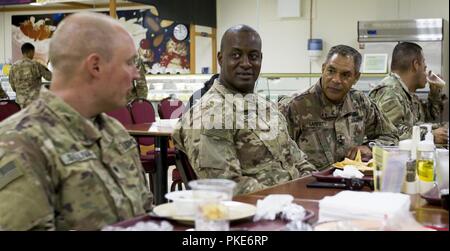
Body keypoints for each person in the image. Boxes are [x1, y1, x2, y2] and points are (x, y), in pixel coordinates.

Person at [0, 12, 152, 231]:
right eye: (129, 63)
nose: (136, 75)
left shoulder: (114, 132)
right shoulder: (20, 144)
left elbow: (143, 214)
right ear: (95, 66)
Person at [173, 25, 317, 195]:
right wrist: (292, 197)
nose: (246, 64)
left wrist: (313, 186)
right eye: (236, 55)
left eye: (253, 56)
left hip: (298, 203)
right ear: (220, 59)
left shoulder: (265, 108)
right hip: (261, 212)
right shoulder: (209, 115)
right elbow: (228, 186)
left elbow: (298, 160)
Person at [279, 45, 398, 171]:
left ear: (356, 78)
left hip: (353, 183)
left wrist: (369, 148)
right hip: (310, 184)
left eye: (345, 75)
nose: (336, 80)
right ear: (323, 68)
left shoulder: (360, 102)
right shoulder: (295, 106)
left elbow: (390, 136)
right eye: (331, 71)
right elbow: (277, 157)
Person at [369, 42, 448, 144]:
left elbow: (425, 119)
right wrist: (429, 135)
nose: (426, 73)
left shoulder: (407, 92)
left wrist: (434, 93)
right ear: (415, 65)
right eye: (424, 68)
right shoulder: (390, 92)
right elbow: (391, 133)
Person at [9, 42, 52, 108]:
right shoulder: (36, 64)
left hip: (21, 102)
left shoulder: (13, 67)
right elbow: (50, 77)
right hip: (34, 101)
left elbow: (12, 85)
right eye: (33, 52)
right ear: (31, 51)